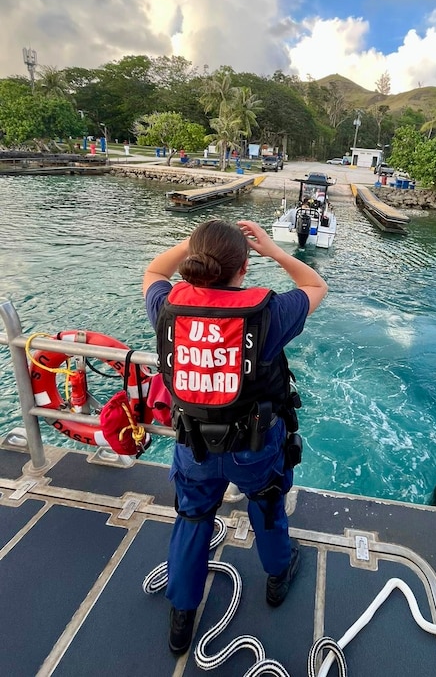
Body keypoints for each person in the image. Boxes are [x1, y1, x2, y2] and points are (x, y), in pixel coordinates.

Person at [142, 219, 327, 655]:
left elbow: (154, 272)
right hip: (255, 446)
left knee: (192, 517)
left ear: (193, 261)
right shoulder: (268, 314)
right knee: (266, 504)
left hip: (194, 446)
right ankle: (278, 575)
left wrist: (190, 242)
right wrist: (276, 252)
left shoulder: (167, 307)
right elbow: (316, 285)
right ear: (244, 268)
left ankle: (182, 617)